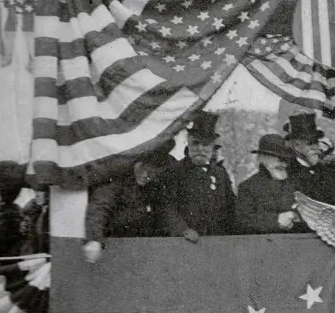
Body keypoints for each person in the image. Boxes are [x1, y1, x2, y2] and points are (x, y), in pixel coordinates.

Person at [83, 148, 175, 263]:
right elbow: (100, 206)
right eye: (144, 169)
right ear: (136, 163)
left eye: (153, 173)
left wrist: (181, 229)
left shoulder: (153, 186)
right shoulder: (117, 180)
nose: (147, 176)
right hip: (115, 246)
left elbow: (165, 210)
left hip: (142, 248)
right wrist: (95, 239)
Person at [163, 112, 236, 241]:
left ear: (213, 147)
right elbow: (167, 206)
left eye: (206, 144)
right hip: (185, 242)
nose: (200, 149)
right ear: (188, 143)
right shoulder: (175, 171)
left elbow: (231, 206)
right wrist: (182, 229)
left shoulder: (220, 173)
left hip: (217, 242)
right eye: (196, 143)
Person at [236, 134, 305, 234]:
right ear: (262, 158)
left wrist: (295, 216)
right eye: (277, 158)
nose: (282, 163)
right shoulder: (247, 187)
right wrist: (276, 220)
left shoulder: (295, 185)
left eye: (285, 159)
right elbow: (242, 223)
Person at [284, 113, 335, 208]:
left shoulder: (326, 169)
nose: (316, 147)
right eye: (310, 143)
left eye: (316, 142)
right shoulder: (287, 172)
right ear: (297, 145)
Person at [20, 184, 50, 255]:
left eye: (41, 191)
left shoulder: (54, 211)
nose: (36, 195)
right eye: (36, 191)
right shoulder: (30, 211)